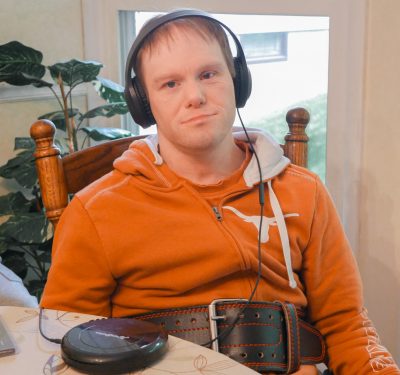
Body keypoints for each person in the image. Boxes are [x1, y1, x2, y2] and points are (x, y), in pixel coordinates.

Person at [40, 9, 399, 375]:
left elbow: (347, 326)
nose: (195, 96)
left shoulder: (303, 193)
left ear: (237, 80)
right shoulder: (96, 211)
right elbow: (62, 343)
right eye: (170, 84)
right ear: (144, 103)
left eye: (208, 74)